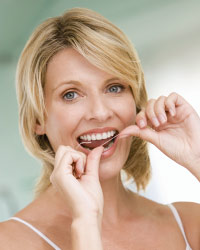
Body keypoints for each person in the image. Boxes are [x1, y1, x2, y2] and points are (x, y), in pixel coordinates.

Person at [0, 7, 199, 250]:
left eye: (114, 87)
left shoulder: (188, 224)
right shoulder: (9, 241)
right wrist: (86, 224)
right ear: (37, 119)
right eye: (71, 94)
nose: (100, 112)